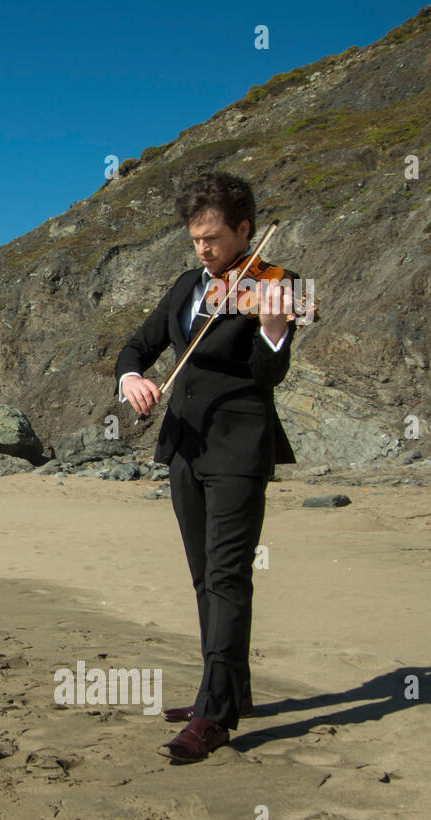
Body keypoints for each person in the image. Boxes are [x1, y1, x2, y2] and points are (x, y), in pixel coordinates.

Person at [114, 171, 302, 763]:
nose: (204, 249)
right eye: (196, 238)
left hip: (239, 450)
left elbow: (267, 374)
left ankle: (212, 714)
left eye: (214, 238)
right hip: (184, 448)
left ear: (245, 230)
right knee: (203, 577)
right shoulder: (184, 287)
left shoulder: (275, 284)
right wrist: (132, 380)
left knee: (227, 577)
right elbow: (136, 347)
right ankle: (229, 691)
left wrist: (273, 331)